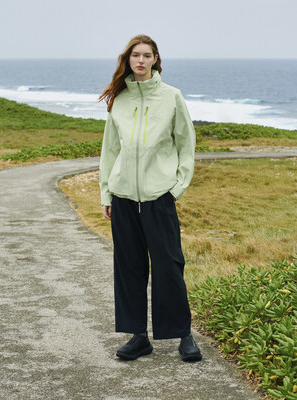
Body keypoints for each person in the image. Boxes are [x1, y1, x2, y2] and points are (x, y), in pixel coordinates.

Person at [98, 34, 201, 362]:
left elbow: (186, 144)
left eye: (146, 55)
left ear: (156, 59)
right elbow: (110, 150)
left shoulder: (171, 97)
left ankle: (183, 334)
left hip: (159, 198)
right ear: (127, 60)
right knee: (129, 268)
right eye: (135, 55)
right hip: (123, 198)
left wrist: (176, 188)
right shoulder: (119, 99)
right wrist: (106, 193)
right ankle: (138, 337)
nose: (140, 61)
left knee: (169, 266)